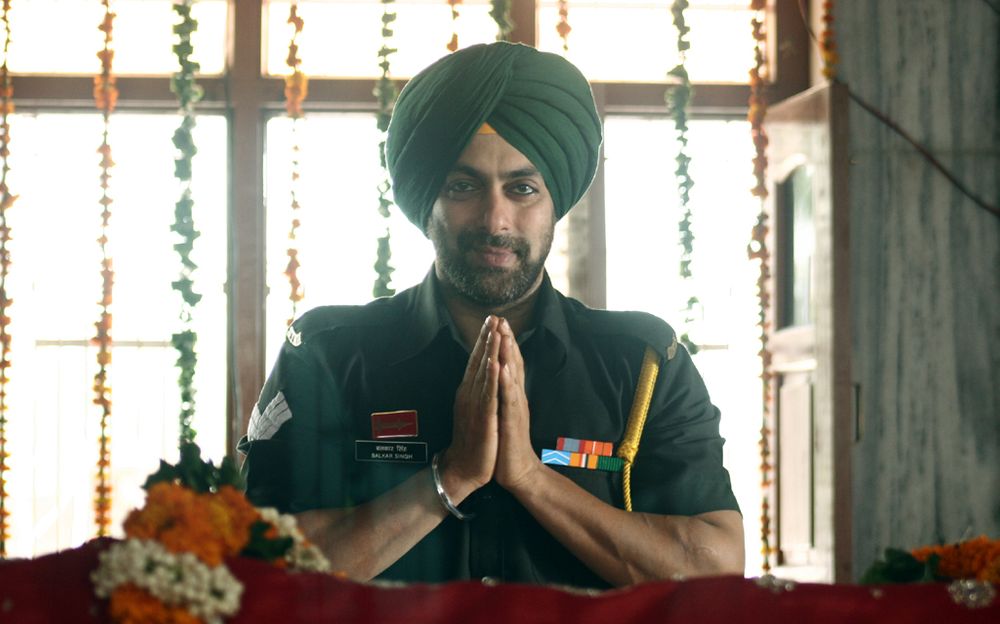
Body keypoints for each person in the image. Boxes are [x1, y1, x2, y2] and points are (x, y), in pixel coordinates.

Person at [239, 42, 744, 589]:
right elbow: (259, 567)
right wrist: (450, 477)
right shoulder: (330, 354)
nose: (495, 219)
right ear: (427, 201)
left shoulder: (641, 363)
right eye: (463, 186)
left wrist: (530, 477)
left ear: (555, 204)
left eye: (522, 189)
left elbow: (713, 565)